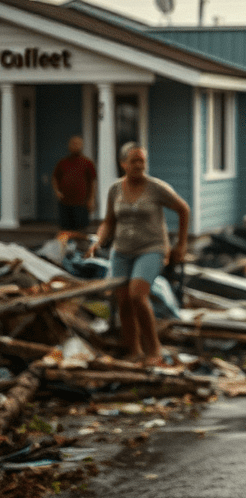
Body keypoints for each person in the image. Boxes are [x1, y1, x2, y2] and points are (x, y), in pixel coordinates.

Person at [86, 143, 190, 366]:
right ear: (123, 164)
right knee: (123, 300)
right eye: (134, 161)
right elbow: (109, 221)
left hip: (151, 249)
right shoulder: (115, 189)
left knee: (137, 295)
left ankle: (154, 349)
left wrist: (180, 245)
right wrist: (98, 240)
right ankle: (134, 350)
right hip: (122, 251)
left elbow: (184, 209)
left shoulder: (156, 188)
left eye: (142, 160)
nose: (139, 165)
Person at [51, 135, 97, 233]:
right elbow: (55, 178)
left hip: (81, 203)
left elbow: (93, 182)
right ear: (69, 146)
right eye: (73, 144)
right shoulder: (62, 163)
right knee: (65, 231)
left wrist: (91, 199)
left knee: (80, 231)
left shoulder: (87, 163)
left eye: (78, 144)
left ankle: (80, 248)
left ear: (82, 146)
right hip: (65, 203)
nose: (75, 146)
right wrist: (57, 192)